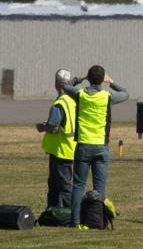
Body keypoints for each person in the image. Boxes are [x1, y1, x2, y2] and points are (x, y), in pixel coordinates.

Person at [62, 65, 129, 227]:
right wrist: (111, 81)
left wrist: (80, 78)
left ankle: (75, 221)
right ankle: (98, 220)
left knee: (79, 185)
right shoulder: (107, 96)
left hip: (84, 145)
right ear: (102, 79)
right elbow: (126, 94)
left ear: (90, 78)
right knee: (99, 186)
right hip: (101, 146)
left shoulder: (80, 94)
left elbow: (65, 86)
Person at [34, 69, 77, 208]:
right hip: (71, 147)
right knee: (55, 184)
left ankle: (70, 215)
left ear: (56, 84)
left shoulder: (60, 103)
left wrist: (42, 127)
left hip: (60, 150)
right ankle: (52, 212)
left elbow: (53, 128)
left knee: (63, 187)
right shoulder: (74, 100)